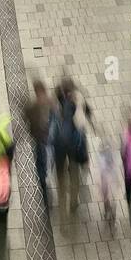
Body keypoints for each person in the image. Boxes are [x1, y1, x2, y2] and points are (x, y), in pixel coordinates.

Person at [49, 79, 88, 213]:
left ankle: (63, 199)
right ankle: (73, 200)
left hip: (60, 144)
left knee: (61, 172)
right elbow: (82, 122)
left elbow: (50, 122)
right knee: (74, 172)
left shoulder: (55, 103)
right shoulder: (76, 102)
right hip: (72, 144)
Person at [24, 79, 52, 206]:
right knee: (42, 166)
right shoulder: (49, 103)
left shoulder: (35, 106)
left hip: (43, 141)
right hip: (43, 140)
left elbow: (27, 119)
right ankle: (45, 189)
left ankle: (45, 190)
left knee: (42, 165)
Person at [98, 139, 117, 226]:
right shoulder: (111, 152)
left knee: (106, 194)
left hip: (105, 177)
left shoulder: (102, 154)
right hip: (111, 176)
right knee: (111, 194)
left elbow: (102, 167)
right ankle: (112, 211)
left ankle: (107, 211)